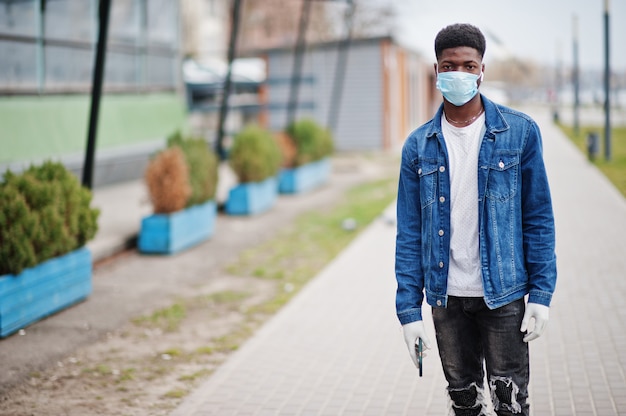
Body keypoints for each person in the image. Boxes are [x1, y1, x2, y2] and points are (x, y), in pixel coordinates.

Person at [395, 23, 557, 416]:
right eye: (450, 66)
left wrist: (541, 293)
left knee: (510, 404)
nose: (459, 74)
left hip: (503, 296)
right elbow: (410, 233)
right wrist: (408, 311)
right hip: (446, 299)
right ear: (437, 71)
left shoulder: (520, 133)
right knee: (464, 404)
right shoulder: (418, 146)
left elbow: (538, 219)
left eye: (469, 66)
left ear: (482, 70)